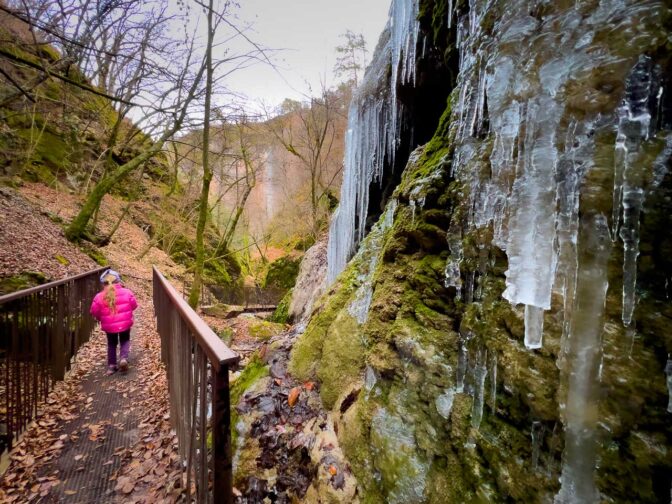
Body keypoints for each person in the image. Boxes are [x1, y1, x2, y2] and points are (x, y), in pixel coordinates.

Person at [90, 269, 138, 375]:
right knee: (125, 340)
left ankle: (112, 366)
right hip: (125, 323)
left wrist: (100, 318)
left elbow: (94, 311)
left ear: (103, 283)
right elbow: (134, 305)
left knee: (111, 343)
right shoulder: (127, 292)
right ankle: (123, 359)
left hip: (109, 326)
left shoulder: (99, 297)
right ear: (118, 281)